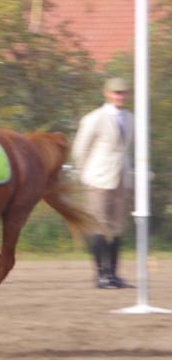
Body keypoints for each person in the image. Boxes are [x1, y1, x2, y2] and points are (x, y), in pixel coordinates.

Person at [72, 77, 134, 289]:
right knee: (99, 226)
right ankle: (101, 274)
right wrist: (85, 173)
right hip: (98, 177)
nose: (120, 96)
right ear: (107, 93)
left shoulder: (129, 117)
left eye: (123, 93)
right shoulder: (95, 118)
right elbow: (80, 148)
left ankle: (114, 273)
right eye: (116, 93)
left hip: (122, 178)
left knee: (117, 227)